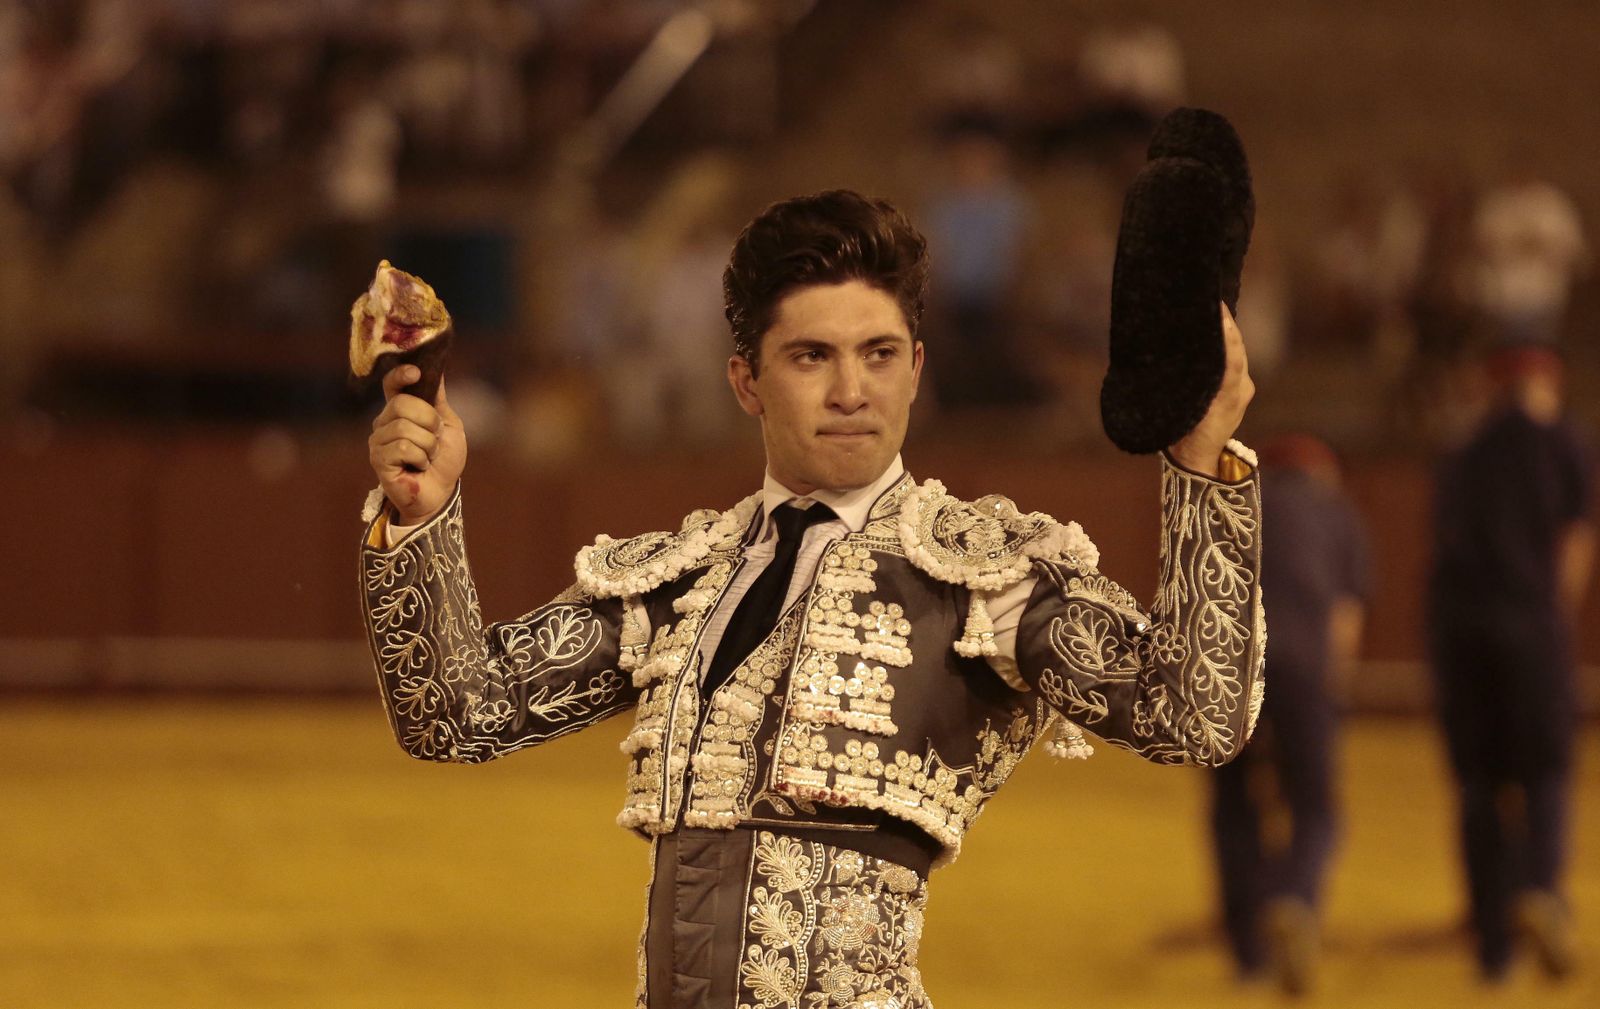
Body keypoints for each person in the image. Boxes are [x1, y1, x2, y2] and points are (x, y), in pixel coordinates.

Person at [359, 190, 1264, 1007]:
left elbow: (1192, 716)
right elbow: (456, 712)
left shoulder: (983, 574)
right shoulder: (681, 578)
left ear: (915, 367)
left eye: (877, 355)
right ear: (746, 382)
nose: (850, 391)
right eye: (810, 356)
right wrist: (424, 514)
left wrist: (1201, 469)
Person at [1428, 345, 1594, 983]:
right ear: (1546, 382)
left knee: (1479, 785)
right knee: (1545, 772)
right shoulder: (1563, 442)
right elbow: (1573, 539)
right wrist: (1556, 617)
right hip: (1531, 628)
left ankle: (1491, 943)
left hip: (1462, 635)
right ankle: (1540, 890)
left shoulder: (1461, 451)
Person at [1208, 435, 1367, 995]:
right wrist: (1333, 694)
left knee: (1233, 807)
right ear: (1322, 470)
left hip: (1228, 669)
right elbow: (1344, 615)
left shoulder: (1229, 506)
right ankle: (1295, 898)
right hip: (1305, 667)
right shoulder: (1337, 511)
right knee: (1315, 806)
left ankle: (1248, 956)